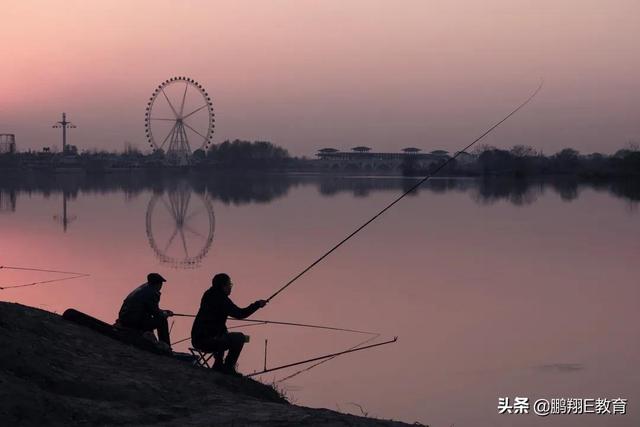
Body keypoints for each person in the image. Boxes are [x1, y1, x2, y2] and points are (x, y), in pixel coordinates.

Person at [191, 273, 267, 375]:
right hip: (207, 341)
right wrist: (257, 305)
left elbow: (215, 321)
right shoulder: (222, 299)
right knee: (240, 338)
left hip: (196, 339)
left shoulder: (208, 294)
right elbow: (240, 314)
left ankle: (218, 365)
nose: (231, 287)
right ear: (223, 286)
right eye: (229, 285)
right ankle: (228, 367)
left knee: (223, 332)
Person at [117, 273, 174, 350]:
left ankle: (151, 341)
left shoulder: (143, 288)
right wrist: (164, 314)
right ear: (157, 284)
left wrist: (164, 311)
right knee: (162, 321)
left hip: (124, 318)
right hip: (132, 322)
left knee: (150, 318)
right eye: (161, 283)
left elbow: (150, 308)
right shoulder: (152, 293)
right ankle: (166, 347)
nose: (161, 286)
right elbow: (155, 313)